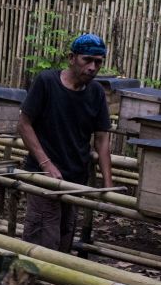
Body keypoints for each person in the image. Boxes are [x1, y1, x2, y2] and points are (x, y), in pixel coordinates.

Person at [17, 33, 113, 254]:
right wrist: (46, 164)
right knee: (42, 240)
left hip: (75, 179)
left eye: (98, 62)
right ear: (71, 58)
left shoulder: (96, 93)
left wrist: (108, 183)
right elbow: (24, 124)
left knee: (63, 239)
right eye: (87, 60)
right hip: (44, 178)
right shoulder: (47, 82)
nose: (92, 67)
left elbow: (102, 139)